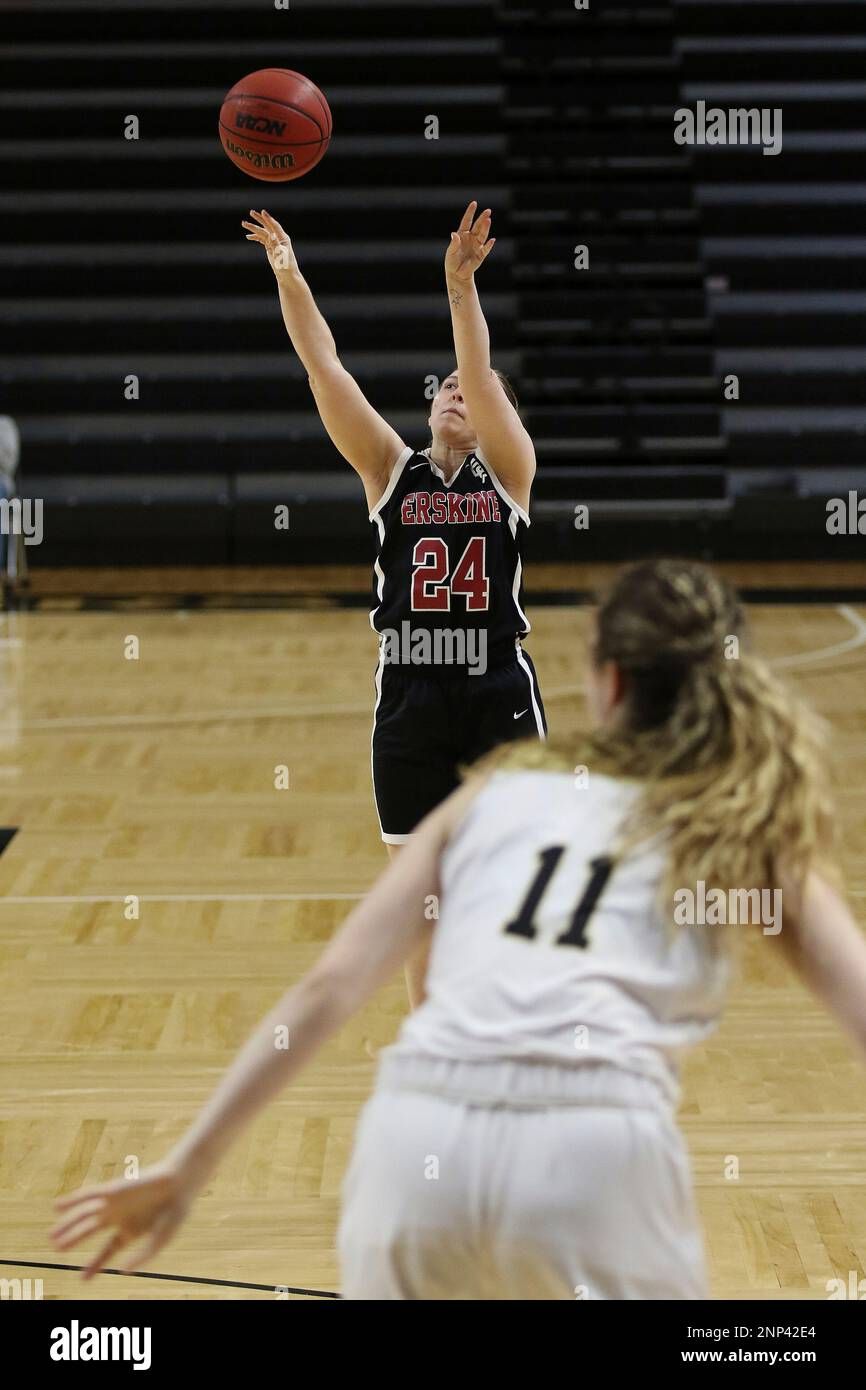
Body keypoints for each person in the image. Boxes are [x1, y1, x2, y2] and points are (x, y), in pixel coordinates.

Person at [51, 559, 866, 1299]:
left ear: (608, 680)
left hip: (417, 1135)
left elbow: (328, 988)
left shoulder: (497, 790)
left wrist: (188, 1164)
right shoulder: (739, 820)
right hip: (595, 1148)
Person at [240, 201, 547, 1005]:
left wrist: (459, 290)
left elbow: (480, 373)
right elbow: (325, 368)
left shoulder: (510, 474)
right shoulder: (390, 470)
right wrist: (289, 273)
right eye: (445, 387)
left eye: (472, 391)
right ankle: (436, 1071)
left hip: (497, 694)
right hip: (410, 698)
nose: (457, 393)